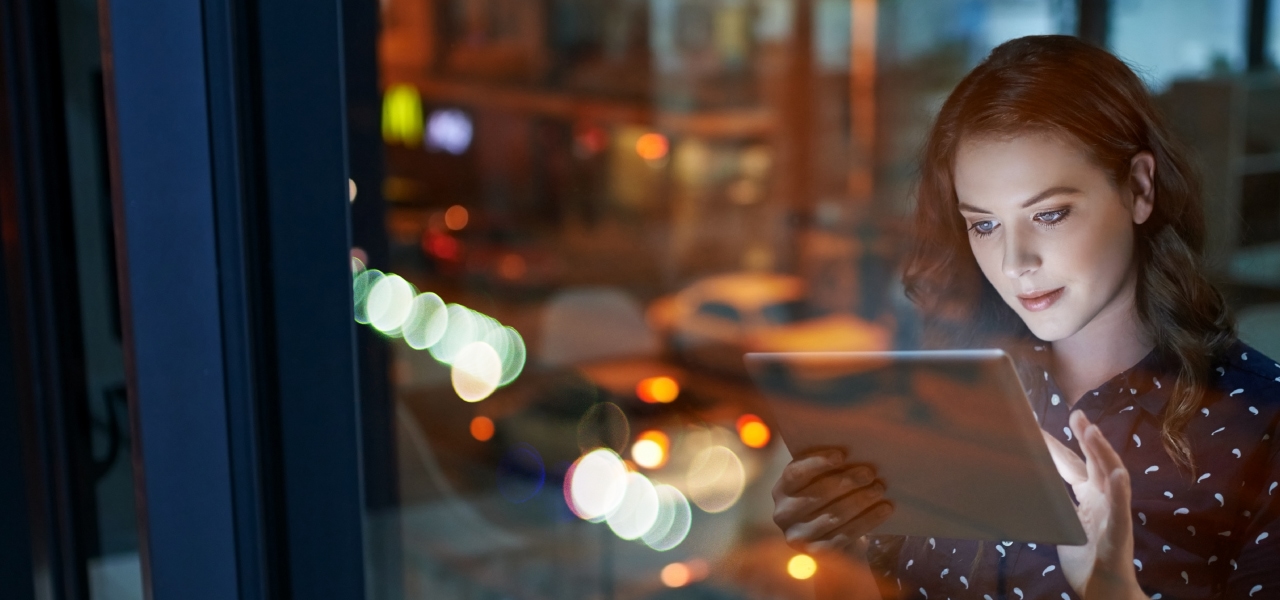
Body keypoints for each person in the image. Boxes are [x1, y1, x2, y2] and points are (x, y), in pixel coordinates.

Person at [772, 35, 1280, 600]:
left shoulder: (1263, 425)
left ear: (1139, 188)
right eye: (984, 225)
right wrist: (836, 552)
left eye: (1050, 213)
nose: (1016, 263)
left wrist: (1112, 592)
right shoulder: (943, 402)